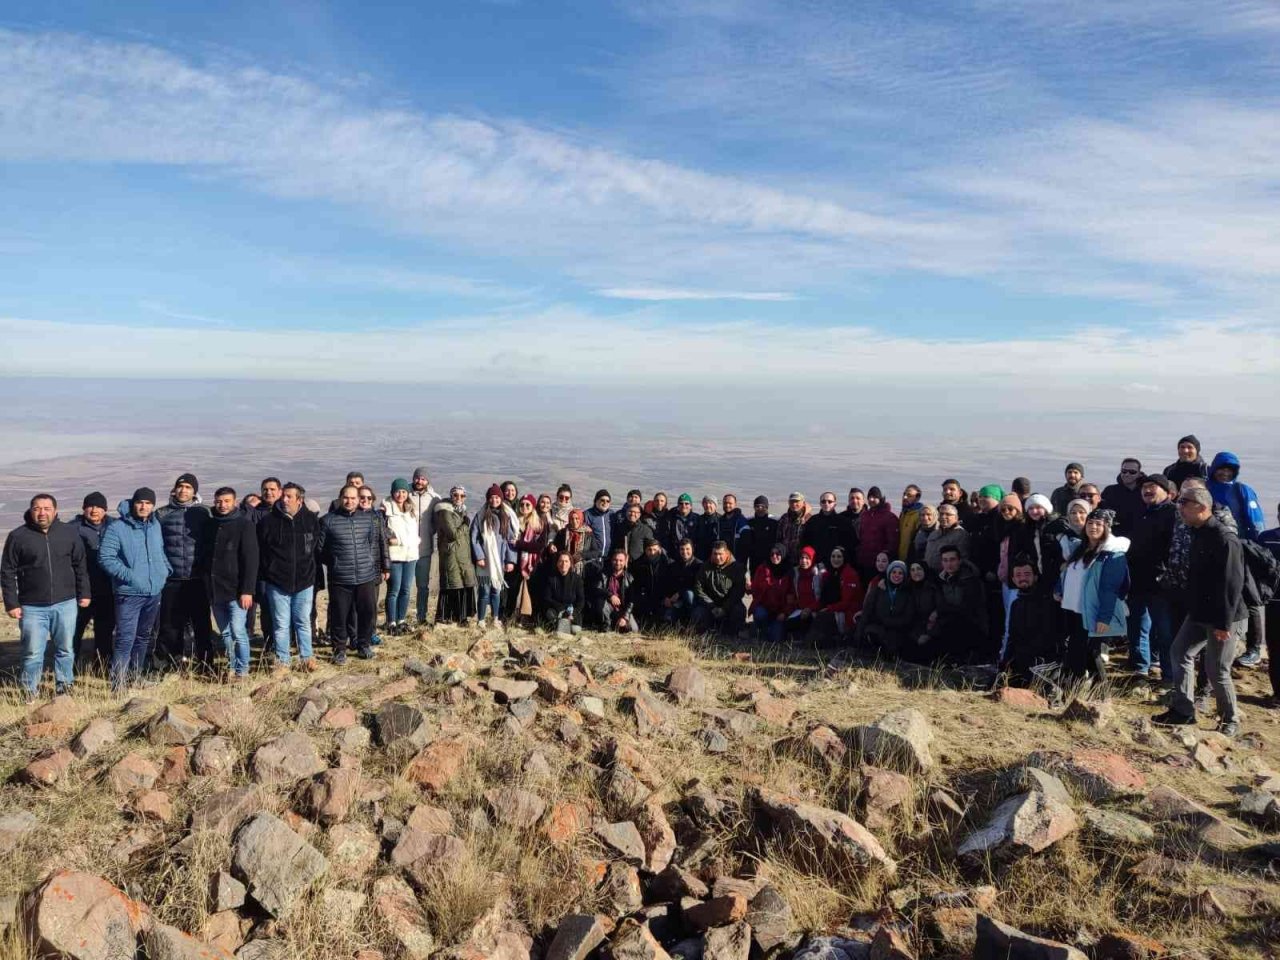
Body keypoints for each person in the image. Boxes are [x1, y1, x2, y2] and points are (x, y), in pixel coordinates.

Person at [1154, 486, 1246, 736]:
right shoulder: (1197, 533)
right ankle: (1183, 711)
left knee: (1217, 669)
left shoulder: (1225, 539)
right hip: (1199, 612)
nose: (1180, 507)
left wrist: (1223, 624)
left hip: (1223, 617)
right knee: (1179, 651)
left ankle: (1230, 719)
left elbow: (1232, 585)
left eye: (1185, 503)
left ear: (1202, 507)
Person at [2, 494, 90, 700]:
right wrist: (11, 603)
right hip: (31, 606)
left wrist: (84, 592)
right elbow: (7, 571)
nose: (42, 513)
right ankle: (29, 692)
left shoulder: (69, 533)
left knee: (66, 649)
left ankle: (64, 689)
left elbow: (80, 565)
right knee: (32, 653)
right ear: (31, 511)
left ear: (55, 511)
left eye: (47, 508)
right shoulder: (18, 536)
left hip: (65, 603)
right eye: (37, 508)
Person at [98, 489, 171, 694]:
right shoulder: (117, 528)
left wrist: (164, 571)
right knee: (125, 639)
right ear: (133, 503)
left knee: (143, 638)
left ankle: (135, 678)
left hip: (153, 590)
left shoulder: (155, 525)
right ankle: (118, 685)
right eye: (140, 502)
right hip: (128, 594)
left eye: (149, 503)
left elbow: (160, 550)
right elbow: (106, 558)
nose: (144, 507)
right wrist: (130, 576)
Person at [1056, 509, 1129, 686]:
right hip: (1073, 608)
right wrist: (1059, 589)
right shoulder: (1082, 548)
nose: (1093, 527)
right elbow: (1068, 571)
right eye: (1090, 523)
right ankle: (1088, 692)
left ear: (1107, 527)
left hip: (1091, 611)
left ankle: (1091, 692)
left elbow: (1110, 588)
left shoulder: (1112, 554)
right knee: (1082, 652)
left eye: (1099, 524)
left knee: (1087, 652)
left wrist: (1104, 617)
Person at [1205, 451, 1266, 667]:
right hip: (1211, 550)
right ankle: (1210, 642)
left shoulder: (1242, 490)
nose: (1224, 473)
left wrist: (1255, 548)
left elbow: (1256, 521)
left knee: (1250, 597)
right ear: (1213, 469)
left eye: (1229, 470)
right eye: (1221, 469)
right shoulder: (1207, 489)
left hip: (1240, 550)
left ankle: (1254, 648)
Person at [319, 484, 389, 662]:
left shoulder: (368, 520)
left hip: (365, 575)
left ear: (358, 500)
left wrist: (376, 565)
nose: (349, 501)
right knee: (339, 615)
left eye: (353, 498)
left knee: (367, 613)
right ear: (340, 498)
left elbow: (372, 544)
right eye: (346, 497)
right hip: (340, 578)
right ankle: (339, 650)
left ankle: (363, 645)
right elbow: (320, 550)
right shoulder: (328, 520)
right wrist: (336, 562)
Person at [258, 481, 320, 672]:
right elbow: (261, 552)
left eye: (289, 496)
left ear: (299, 500)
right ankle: (282, 662)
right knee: (281, 624)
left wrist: (313, 577)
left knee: (302, 621)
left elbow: (315, 549)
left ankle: (306, 658)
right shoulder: (268, 522)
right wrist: (269, 574)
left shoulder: (310, 521)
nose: (284, 499)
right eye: (283, 495)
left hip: (304, 580)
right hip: (277, 583)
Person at [198, 487, 259, 681]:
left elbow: (251, 560)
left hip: (236, 591)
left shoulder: (244, 525)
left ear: (234, 501)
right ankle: (232, 667)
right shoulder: (210, 525)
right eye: (219, 501)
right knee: (225, 633)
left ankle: (243, 670)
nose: (222, 505)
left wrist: (247, 590)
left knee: (238, 631)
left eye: (226, 501)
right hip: (215, 590)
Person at [155, 472, 213, 670]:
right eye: (180, 486)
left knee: (202, 624)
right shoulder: (161, 514)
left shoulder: (205, 513)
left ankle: (206, 663)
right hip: (172, 579)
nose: (183, 490)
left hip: (197, 578)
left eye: (188, 487)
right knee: (170, 625)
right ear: (174, 489)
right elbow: (156, 545)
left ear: (194, 491)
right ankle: (170, 664)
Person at [1126, 476, 1177, 681]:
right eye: (1144, 488)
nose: (1147, 490)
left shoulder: (1174, 513)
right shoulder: (1140, 512)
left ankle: (1169, 676)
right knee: (1137, 628)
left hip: (1162, 583)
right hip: (1137, 581)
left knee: (1165, 632)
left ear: (1166, 491)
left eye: (1152, 487)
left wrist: (1166, 574)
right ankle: (1141, 670)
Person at [68, 492, 116, 667]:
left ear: (105, 510)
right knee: (74, 631)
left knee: (104, 631)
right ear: (84, 509)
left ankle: (102, 666)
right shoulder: (71, 529)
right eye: (90, 506)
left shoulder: (115, 526)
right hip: (79, 590)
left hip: (107, 589)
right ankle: (70, 667)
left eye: (99, 507)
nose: (94, 510)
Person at [1001, 557, 1063, 689]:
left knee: (1032, 678)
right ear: (1013, 579)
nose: (1022, 578)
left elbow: (1050, 636)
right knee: (1001, 680)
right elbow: (1013, 637)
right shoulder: (1016, 604)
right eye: (1018, 575)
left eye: (1027, 574)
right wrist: (1004, 664)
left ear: (1035, 577)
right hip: (1023, 657)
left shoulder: (1048, 602)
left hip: (1047, 658)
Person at [922, 546, 988, 662]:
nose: (949, 564)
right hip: (945, 623)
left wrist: (940, 611)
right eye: (945, 560)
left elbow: (966, 608)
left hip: (969, 625)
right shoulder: (940, 580)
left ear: (959, 561)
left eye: (952, 559)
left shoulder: (970, 580)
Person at [471, 484, 517, 627]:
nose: (494, 500)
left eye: (497, 497)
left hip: (499, 560)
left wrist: (510, 560)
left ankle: (496, 618)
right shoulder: (481, 515)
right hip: (485, 560)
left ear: (501, 499)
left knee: (496, 591)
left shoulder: (506, 516)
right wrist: (479, 556)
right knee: (484, 591)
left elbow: (510, 540)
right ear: (488, 499)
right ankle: (481, 619)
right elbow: (474, 537)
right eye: (492, 497)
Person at [382, 479, 420, 635]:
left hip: (411, 555)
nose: (401, 494)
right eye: (398, 491)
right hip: (395, 555)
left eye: (404, 491)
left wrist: (416, 541)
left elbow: (414, 532)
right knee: (394, 590)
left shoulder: (411, 510)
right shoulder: (386, 509)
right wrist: (395, 541)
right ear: (392, 492)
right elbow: (384, 532)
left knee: (406, 589)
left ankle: (401, 620)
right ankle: (391, 621)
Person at [434, 486, 477, 625]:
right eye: (455, 495)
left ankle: (462, 617)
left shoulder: (461, 511)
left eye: (462, 496)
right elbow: (452, 535)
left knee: (462, 586)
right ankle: (447, 617)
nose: (458, 498)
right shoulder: (445, 512)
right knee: (452, 586)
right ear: (451, 496)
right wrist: (465, 524)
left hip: (462, 555)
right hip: (451, 555)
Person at [408, 467, 442, 626]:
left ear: (428, 480)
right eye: (417, 478)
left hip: (425, 549)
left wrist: (428, 533)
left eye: (423, 478)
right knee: (403, 587)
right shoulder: (404, 495)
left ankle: (421, 617)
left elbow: (438, 523)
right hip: (406, 551)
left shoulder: (435, 499)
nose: (419, 481)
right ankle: (398, 619)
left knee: (423, 586)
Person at [859, 560, 915, 655]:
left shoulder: (908, 593)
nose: (896, 575)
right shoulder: (879, 589)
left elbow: (908, 617)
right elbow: (867, 611)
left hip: (897, 631)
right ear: (889, 573)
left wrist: (888, 622)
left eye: (900, 573)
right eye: (894, 572)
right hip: (878, 627)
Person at [692, 540, 746, 636]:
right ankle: (707, 630)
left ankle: (731, 633)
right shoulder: (705, 566)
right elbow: (698, 588)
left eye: (720, 554)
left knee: (739, 610)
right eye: (715, 554)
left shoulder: (737, 568)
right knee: (698, 613)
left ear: (726, 553)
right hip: (710, 604)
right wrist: (711, 606)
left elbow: (738, 591)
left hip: (729, 604)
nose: (717, 557)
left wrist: (724, 608)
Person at [510, 494, 548, 624]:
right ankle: (511, 617)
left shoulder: (540, 524)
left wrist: (519, 544)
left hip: (533, 564)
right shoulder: (514, 522)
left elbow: (539, 546)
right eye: (522, 504)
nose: (524, 507)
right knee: (513, 592)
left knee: (533, 593)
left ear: (533, 507)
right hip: (516, 563)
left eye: (528, 505)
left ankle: (531, 619)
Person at [749, 544, 794, 644]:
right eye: (772, 554)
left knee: (776, 639)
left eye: (778, 554)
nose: (774, 556)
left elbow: (791, 596)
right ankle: (759, 629)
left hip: (780, 612)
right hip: (764, 608)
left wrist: (785, 613)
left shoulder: (789, 573)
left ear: (783, 554)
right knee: (760, 614)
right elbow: (755, 589)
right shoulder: (762, 568)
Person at [817, 546, 865, 640]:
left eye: (839, 557)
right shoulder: (830, 574)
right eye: (833, 556)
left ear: (844, 558)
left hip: (848, 613)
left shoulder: (850, 574)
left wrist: (828, 609)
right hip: (834, 609)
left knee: (823, 617)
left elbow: (847, 603)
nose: (836, 559)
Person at [1258, 505, 1280, 705]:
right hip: (1273, 601)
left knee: (1275, 648)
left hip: (1272, 601)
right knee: (1274, 648)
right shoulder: (1266, 538)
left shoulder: (1266, 538)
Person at [586, 548, 637, 633]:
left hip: (622, 609)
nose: (618, 563)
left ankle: (618, 624)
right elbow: (597, 589)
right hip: (607, 608)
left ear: (625, 562)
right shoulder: (603, 574)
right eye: (615, 560)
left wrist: (625, 617)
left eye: (621, 560)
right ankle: (606, 625)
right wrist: (610, 595)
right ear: (611, 560)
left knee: (634, 629)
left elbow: (631, 601)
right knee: (600, 600)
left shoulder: (630, 578)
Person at [856, 487, 899, 582]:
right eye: (869, 497)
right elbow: (861, 537)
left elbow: (893, 542)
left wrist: (885, 557)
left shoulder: (889, 517)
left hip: (880, 564)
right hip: (864, 561)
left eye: (874, 497)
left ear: (880, 498)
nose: (871, 499)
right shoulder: (865, 515)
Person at [630, 537, 671, 629]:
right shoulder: (638, 565)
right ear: (645, 550)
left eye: (655, 550)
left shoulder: (668, 564)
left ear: (660, 550)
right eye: (649, 550)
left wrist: (668, 596)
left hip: (662, 599)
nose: (652, 553)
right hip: (645, 599)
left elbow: (671, 584)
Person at [540, 551, 584, 634]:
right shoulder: (551, 578)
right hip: (557, 611)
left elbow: (581, 601)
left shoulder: (577, 579)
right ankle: (560, 627)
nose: (563, 564)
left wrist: (573, 614)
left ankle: (563, 627)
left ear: (570, 563)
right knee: (550, 613)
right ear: (557, 563)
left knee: (576, 630)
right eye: (561, 561)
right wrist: (562, 610)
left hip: (571, 613)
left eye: (566, 561)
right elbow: (547, 598)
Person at [802, 493, 848, 572]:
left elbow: (849, 543)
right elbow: (805, 542)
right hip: (816, 565)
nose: (826, 504)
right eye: (823, 501)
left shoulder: (843, 522)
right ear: (820, 503)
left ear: (835, 504)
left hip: (837, 564)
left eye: (830, 501)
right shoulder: (813, 521)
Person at [1101, 458, 1146, 535]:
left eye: (1132, 472)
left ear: (1139, 474)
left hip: (1140, 536)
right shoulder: (1110, 490)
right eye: (1124, 471)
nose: (1127, 474)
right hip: (1114, 536)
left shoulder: (1146, 492)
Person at [662, 538, 702, 625]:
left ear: (692, 549)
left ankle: (691, 621)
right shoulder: (673, 565)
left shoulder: (698, 565)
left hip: (693, 599)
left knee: (689, 594)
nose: (685, 552)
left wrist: (680, 593)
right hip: (676, 600)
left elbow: (697, 586)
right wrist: (667, 597)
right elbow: (668, 583)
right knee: (667, 618)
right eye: (682, 549)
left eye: (687, 549)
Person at [550, 508, 600, 573]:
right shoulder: (562, 533)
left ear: (581, 519)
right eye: (572, 519)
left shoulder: (588, 533)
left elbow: (596, 552)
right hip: (564, 567)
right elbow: (557, 550)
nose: (574, 521)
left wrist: (582, 555)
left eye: (577, 518)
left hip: (582, 569)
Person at [789, 547, 825, 637]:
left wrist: (810, 609)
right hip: (799, 610)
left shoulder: (819, 575)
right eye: (802, 558)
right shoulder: (796, 574)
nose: (804, 561)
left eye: (807, 558)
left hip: (814, 610)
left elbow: (823, 598)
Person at [923, 504, 969, 572]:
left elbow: (963, 559)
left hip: (946, 576)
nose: (943, 517)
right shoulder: (933, 534)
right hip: (929, 575)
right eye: (941, 514)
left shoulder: (961, 534)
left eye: (948, 514)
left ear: (956, 517)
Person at [741, 496, 779, 576]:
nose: (760, 508)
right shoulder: (749, 521)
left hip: (770, 558)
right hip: (754, 559)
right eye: (757, 506)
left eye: (762, 506)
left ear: (767, 507)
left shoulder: (774, 522)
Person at [778, 493, 811, 564]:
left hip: (802, 560)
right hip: (784, 559)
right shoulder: (784, 518)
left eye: (797, 501)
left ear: (803, 503)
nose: (794, 504)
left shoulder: (809, 519)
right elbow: (778, 538)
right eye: (792, 502)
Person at [584, 489, 615, 558]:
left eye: (607, 501)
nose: (605, 503)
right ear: (596, 501)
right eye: (602, 500)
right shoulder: (588, 514)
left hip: (609, 557)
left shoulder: (612, 515)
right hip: (592, 556)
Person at [717, 494, 750, 559]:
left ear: (735, 504)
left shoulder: (741, 521)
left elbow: (746, 544)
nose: (727, 505)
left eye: (730, 503)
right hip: (722, 560)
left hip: (737, 562)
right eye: (725, 503)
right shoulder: (720, 521)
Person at [693, 496, 721, 561]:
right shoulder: (698, 519)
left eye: (710, 503)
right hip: (700, 556)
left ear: (715, 505)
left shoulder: (721, 520)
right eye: (705, 503)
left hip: (716, 557)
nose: (708, 505)